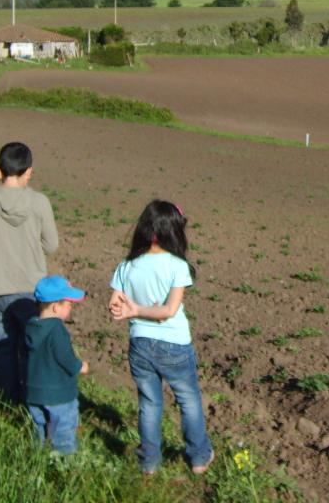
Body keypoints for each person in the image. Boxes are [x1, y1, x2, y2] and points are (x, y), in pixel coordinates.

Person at [109, 200, 213, 475]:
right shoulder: (177, 265)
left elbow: (115, 305)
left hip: (139, 344)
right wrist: (140, 309)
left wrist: (128, 310)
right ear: (173, 231)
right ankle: (199, 458)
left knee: (149, 403)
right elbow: (168, 311)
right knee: (188, 400)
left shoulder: (127, 265)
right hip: (175, 345)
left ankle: (149, 463)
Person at [0, 141, 59, 402]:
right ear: (29, 172)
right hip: (32, 291)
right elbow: (52, 245)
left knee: (3, 348)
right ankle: (35, 402)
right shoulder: (40, 202)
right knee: (32, 347)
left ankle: (7, 402)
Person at [25, 274, 88, 455]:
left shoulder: (31, 326)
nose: (71, 308)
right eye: (68, 304)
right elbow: (65, 358)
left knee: (39, 428)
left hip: (34, 393)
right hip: (58, 394)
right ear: (55, 306)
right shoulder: (56, 330)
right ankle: (64, 464)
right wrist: (79, 366)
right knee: (63, 431)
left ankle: (38, 456)